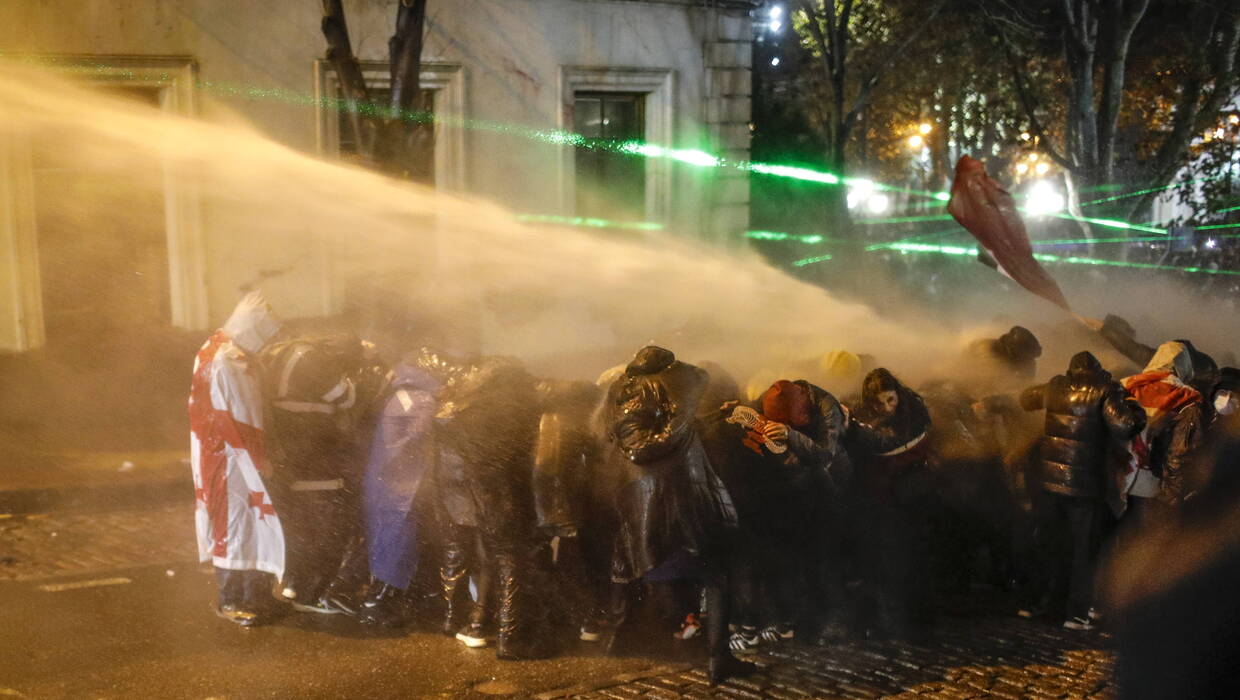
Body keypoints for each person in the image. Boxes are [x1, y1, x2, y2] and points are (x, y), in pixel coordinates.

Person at [594, 346, 753, 684]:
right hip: (678, 508)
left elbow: (662, 433)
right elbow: (664, 437)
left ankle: (626, 641)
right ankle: (718, 660)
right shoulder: (670, 391)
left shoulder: (622, 396)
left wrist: (708, 418)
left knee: (643, 572)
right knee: (716, 577)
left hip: (641, 510)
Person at [1018, 351, 1145, 629]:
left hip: (1051, 481)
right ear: (1098, 371)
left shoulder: (1055, 386)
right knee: (1084, 551)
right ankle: (1076, 614)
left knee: (1053, 545)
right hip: (1086, 486)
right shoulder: (1106, 390)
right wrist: (1135, 406)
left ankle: (1044, 605)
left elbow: (1026, 398)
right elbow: (1126, 426)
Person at [260, 333, 380, 614]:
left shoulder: (283, 353)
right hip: (316, 456)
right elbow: (347, 396)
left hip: (292, 457)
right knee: (328, 527)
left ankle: (295, 583)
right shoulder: (311, 360)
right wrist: (364, 366)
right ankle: (312, 594)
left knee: (301, 526)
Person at [435, 356, 543, 660]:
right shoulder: (520, 408)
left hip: (477, 496)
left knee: (486, 559)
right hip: (508, 495)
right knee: (510, 562)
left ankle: (477, 624)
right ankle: (511, 637)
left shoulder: (465, 409)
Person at [188, 291, 285, 627]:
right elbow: (233, 417)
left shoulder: (231, 353)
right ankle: (232, 599)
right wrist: (258, 456)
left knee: (253, 521)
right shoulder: (225, 360)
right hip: (228, 457)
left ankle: (256, 594)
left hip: (237, 454)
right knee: (234, 523)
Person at [356, 351, 443, 626]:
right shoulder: (422, 399)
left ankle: (378, 597)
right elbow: (422, 434)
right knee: (398, 540)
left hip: (382, 478)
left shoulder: (398, 394)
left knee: (384, 537)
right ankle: (381, 602)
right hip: (404, 482)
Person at [847, 368, 934, 640]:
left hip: (909, 498)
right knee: (881, 562)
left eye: (890, 400)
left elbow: (890, 445)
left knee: (903, 561)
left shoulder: (914, 415)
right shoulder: (865, 416)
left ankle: (904, 622)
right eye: (879, 403)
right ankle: (887, 619)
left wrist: (854, 428)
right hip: (880, 501)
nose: (886, 408)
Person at [1119, 341, 1205, 520]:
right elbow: (1179, 454)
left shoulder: (1126, 386)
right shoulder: (1187, 399)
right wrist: (1173, 499)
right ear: (1185, 366)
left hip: (1116, 478)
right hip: (1151, 485)